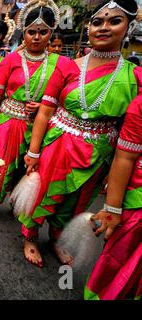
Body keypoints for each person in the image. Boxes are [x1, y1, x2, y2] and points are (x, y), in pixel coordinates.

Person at [21, 0, 141, 268]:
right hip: (58, 145)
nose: (104, 28)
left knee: (76, 202)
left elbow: (128, 129)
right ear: (88, 28)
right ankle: (29, 236)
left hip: (99, 154)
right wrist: (33, 151)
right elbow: (44, 112)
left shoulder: (135, 77)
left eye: (114, 21)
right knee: (43, 193)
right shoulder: (67, 66)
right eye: (97, 22)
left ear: (129, 27)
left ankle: (55, 238)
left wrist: (114, 171)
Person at [0, 0, 66, 228]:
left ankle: (21, 206)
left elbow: (69, 99)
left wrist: (47, 107)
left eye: (43, 32)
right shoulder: (11, 60)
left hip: (42, 124)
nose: (36, 37)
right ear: (23, 33)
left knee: (30, 169)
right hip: (10, 121)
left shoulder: (62, 64)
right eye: (31, 32)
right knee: (3, 165)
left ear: (51, 32)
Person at [85, 95, 142, 300]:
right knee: (120, 265)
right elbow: (125, 156)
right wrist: (113, 209)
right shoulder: (140, 105)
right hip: (137, 205)